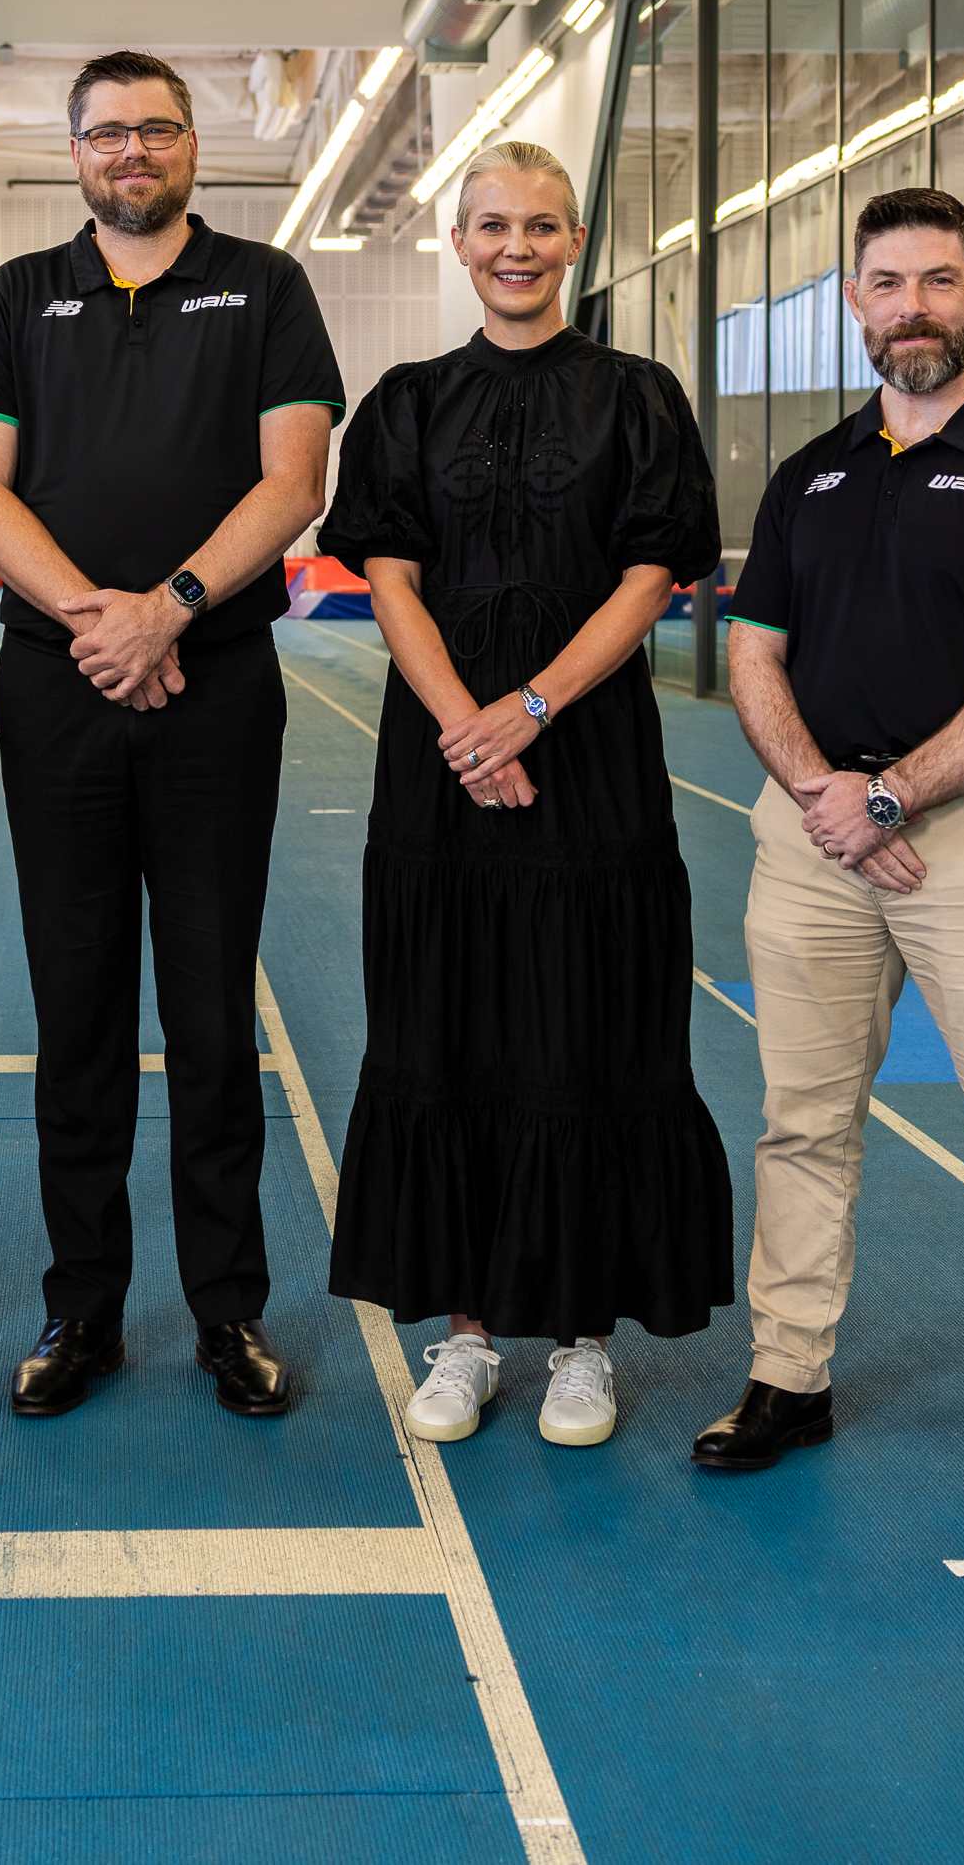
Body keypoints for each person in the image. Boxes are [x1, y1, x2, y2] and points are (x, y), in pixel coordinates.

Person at [695, 186, 964, 1543]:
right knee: (801, 1123)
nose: (913, 308)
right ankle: (788, 1375)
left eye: (940, 282)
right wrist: (826, 795)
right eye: (887, 284)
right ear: (854, 304)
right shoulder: (814, 468)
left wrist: (890, 794)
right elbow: (756, 652)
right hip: (814, 834)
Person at [0, 52, 343, 1421]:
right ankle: (83, 1309)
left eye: (156, 129)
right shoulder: (13, 299)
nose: (132, 151)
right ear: (73, 155)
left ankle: (228, 1313)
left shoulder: (269, 287)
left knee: (211, 1012)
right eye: (107, 132)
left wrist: (167, 612)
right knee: (79, 1011)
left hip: (218, 685)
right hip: (60, 690)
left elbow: (295, 478)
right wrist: (93, 622)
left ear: (193, 148)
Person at [317, 143, 732, 1452]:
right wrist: (464, 728)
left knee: (587, 1031)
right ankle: (472, 1332)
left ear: (575, 240)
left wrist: (533, 708)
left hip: (588, 772)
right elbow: (388, 576)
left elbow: (650, 575)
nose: (516, 246)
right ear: (458, 239)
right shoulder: (406, 401)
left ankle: (582, 1342)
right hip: (442, 781)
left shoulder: (639, 397)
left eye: (541, 227)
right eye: (493, 225)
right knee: (449, 1029)